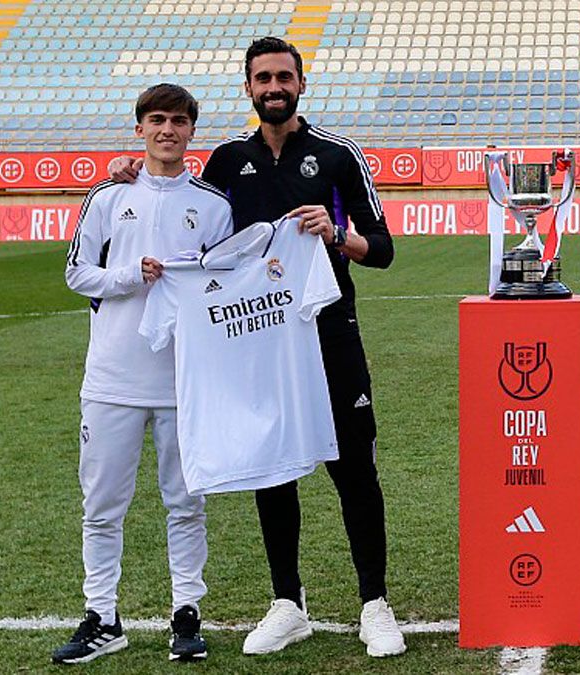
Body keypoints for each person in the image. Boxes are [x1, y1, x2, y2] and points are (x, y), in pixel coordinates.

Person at [109, 37, 404, 658]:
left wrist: (337, 234)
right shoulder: (224, 162)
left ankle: (374, 602)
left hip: (328, 331)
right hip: (257, 339)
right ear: (248, 88)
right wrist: (127, 178)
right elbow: (183, 213)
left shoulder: (336, 155)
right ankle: (286, 602)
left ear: (301, 83)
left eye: (283, 77)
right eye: (263, 78)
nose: (274, 87)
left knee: (354, 466)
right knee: (272, 463)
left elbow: (382, 248)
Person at [57, 83, 233, 664]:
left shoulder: (213, 205)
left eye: (178, 121)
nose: (167, 131)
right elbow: (77, 274)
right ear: (140, 129)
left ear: (190, 131)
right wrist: (133, 275)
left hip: (184, 381)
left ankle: (187, 614)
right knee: (102, 506)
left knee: (186, 505)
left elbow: (224, 285)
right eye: (156, 120)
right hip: (110, 379)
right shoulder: (108, 196)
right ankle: (102, 617)